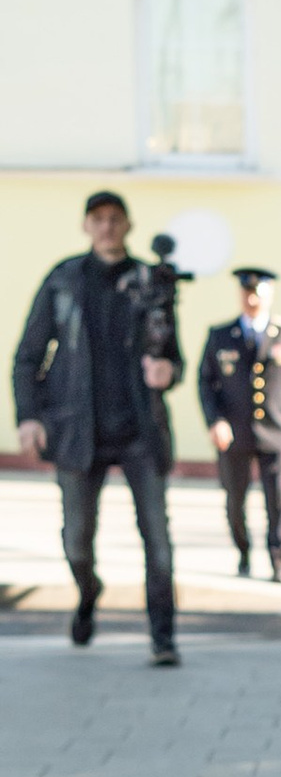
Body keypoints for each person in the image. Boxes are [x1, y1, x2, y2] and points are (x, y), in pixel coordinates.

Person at [13, 192, 185, 664]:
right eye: (98, 219)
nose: (107, 226)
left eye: (115, 219)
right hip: (77, 430)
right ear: (86, 226)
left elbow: (173, 356)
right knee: (77, 542)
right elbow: (28, 356)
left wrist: (168, 371)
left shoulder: (151, 281)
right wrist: (29, 416)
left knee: (158, 541)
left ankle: (163, 638)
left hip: (140, 432)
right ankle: (88, 592)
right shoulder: (63, 280)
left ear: (128, 225)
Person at [195, 264, 281, 581]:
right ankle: (243, 551)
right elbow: (206, 383)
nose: (252, 298)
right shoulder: (220, 335)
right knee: (235, 499)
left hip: (276, 429)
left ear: (270, 294)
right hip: (234, 431)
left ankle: (278, 558)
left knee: (277, 499)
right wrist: (215, 421)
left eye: (258, 292)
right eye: (247, 291)